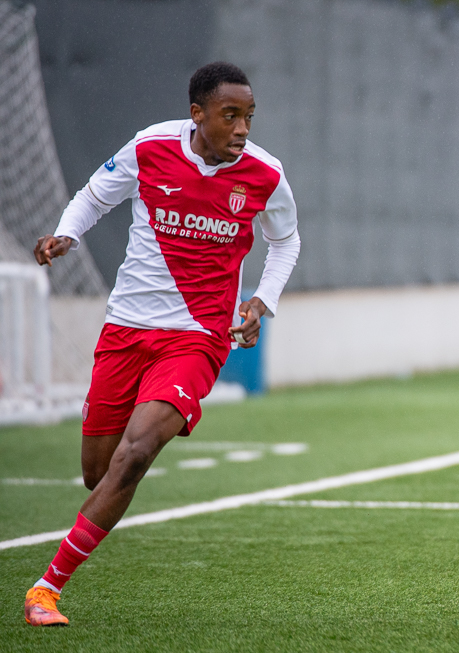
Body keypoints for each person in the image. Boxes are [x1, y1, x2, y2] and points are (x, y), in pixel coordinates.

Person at [23, 62, 301, 627]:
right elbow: (94, 196)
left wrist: (260, 300)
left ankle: (46, 590)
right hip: (126, 327)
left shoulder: (266, 175)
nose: (243, 128)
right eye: (230, 116)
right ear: (197, 114)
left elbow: (286, 239)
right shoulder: (151, 147)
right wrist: (67, 233)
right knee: (98, 473)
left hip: (199, 338)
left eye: (248, 116)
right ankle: (101, 503)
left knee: (136, 454)